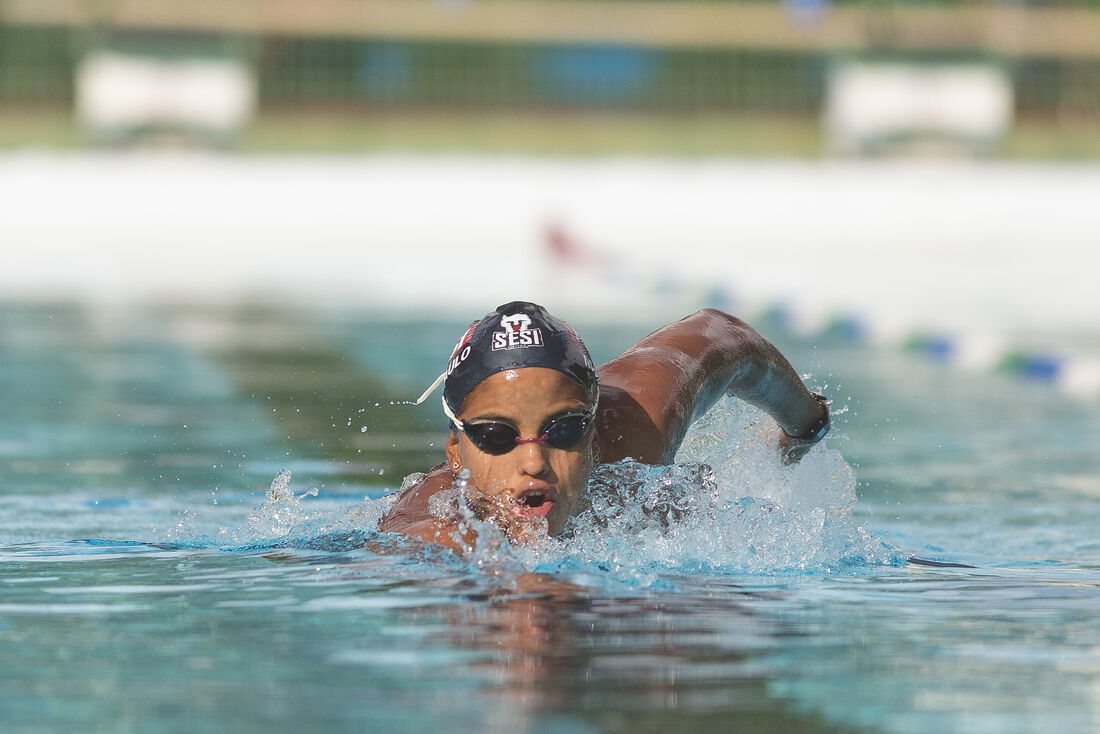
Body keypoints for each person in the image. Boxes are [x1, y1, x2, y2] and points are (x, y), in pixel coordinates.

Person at [379, 301, 829, 550]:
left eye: (565, 429)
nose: (534, 461)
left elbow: (726, 336)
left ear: (595, 429)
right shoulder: (434, 528)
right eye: (496, 436)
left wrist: (805, 429)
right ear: (456, 452)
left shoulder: (638, 426)